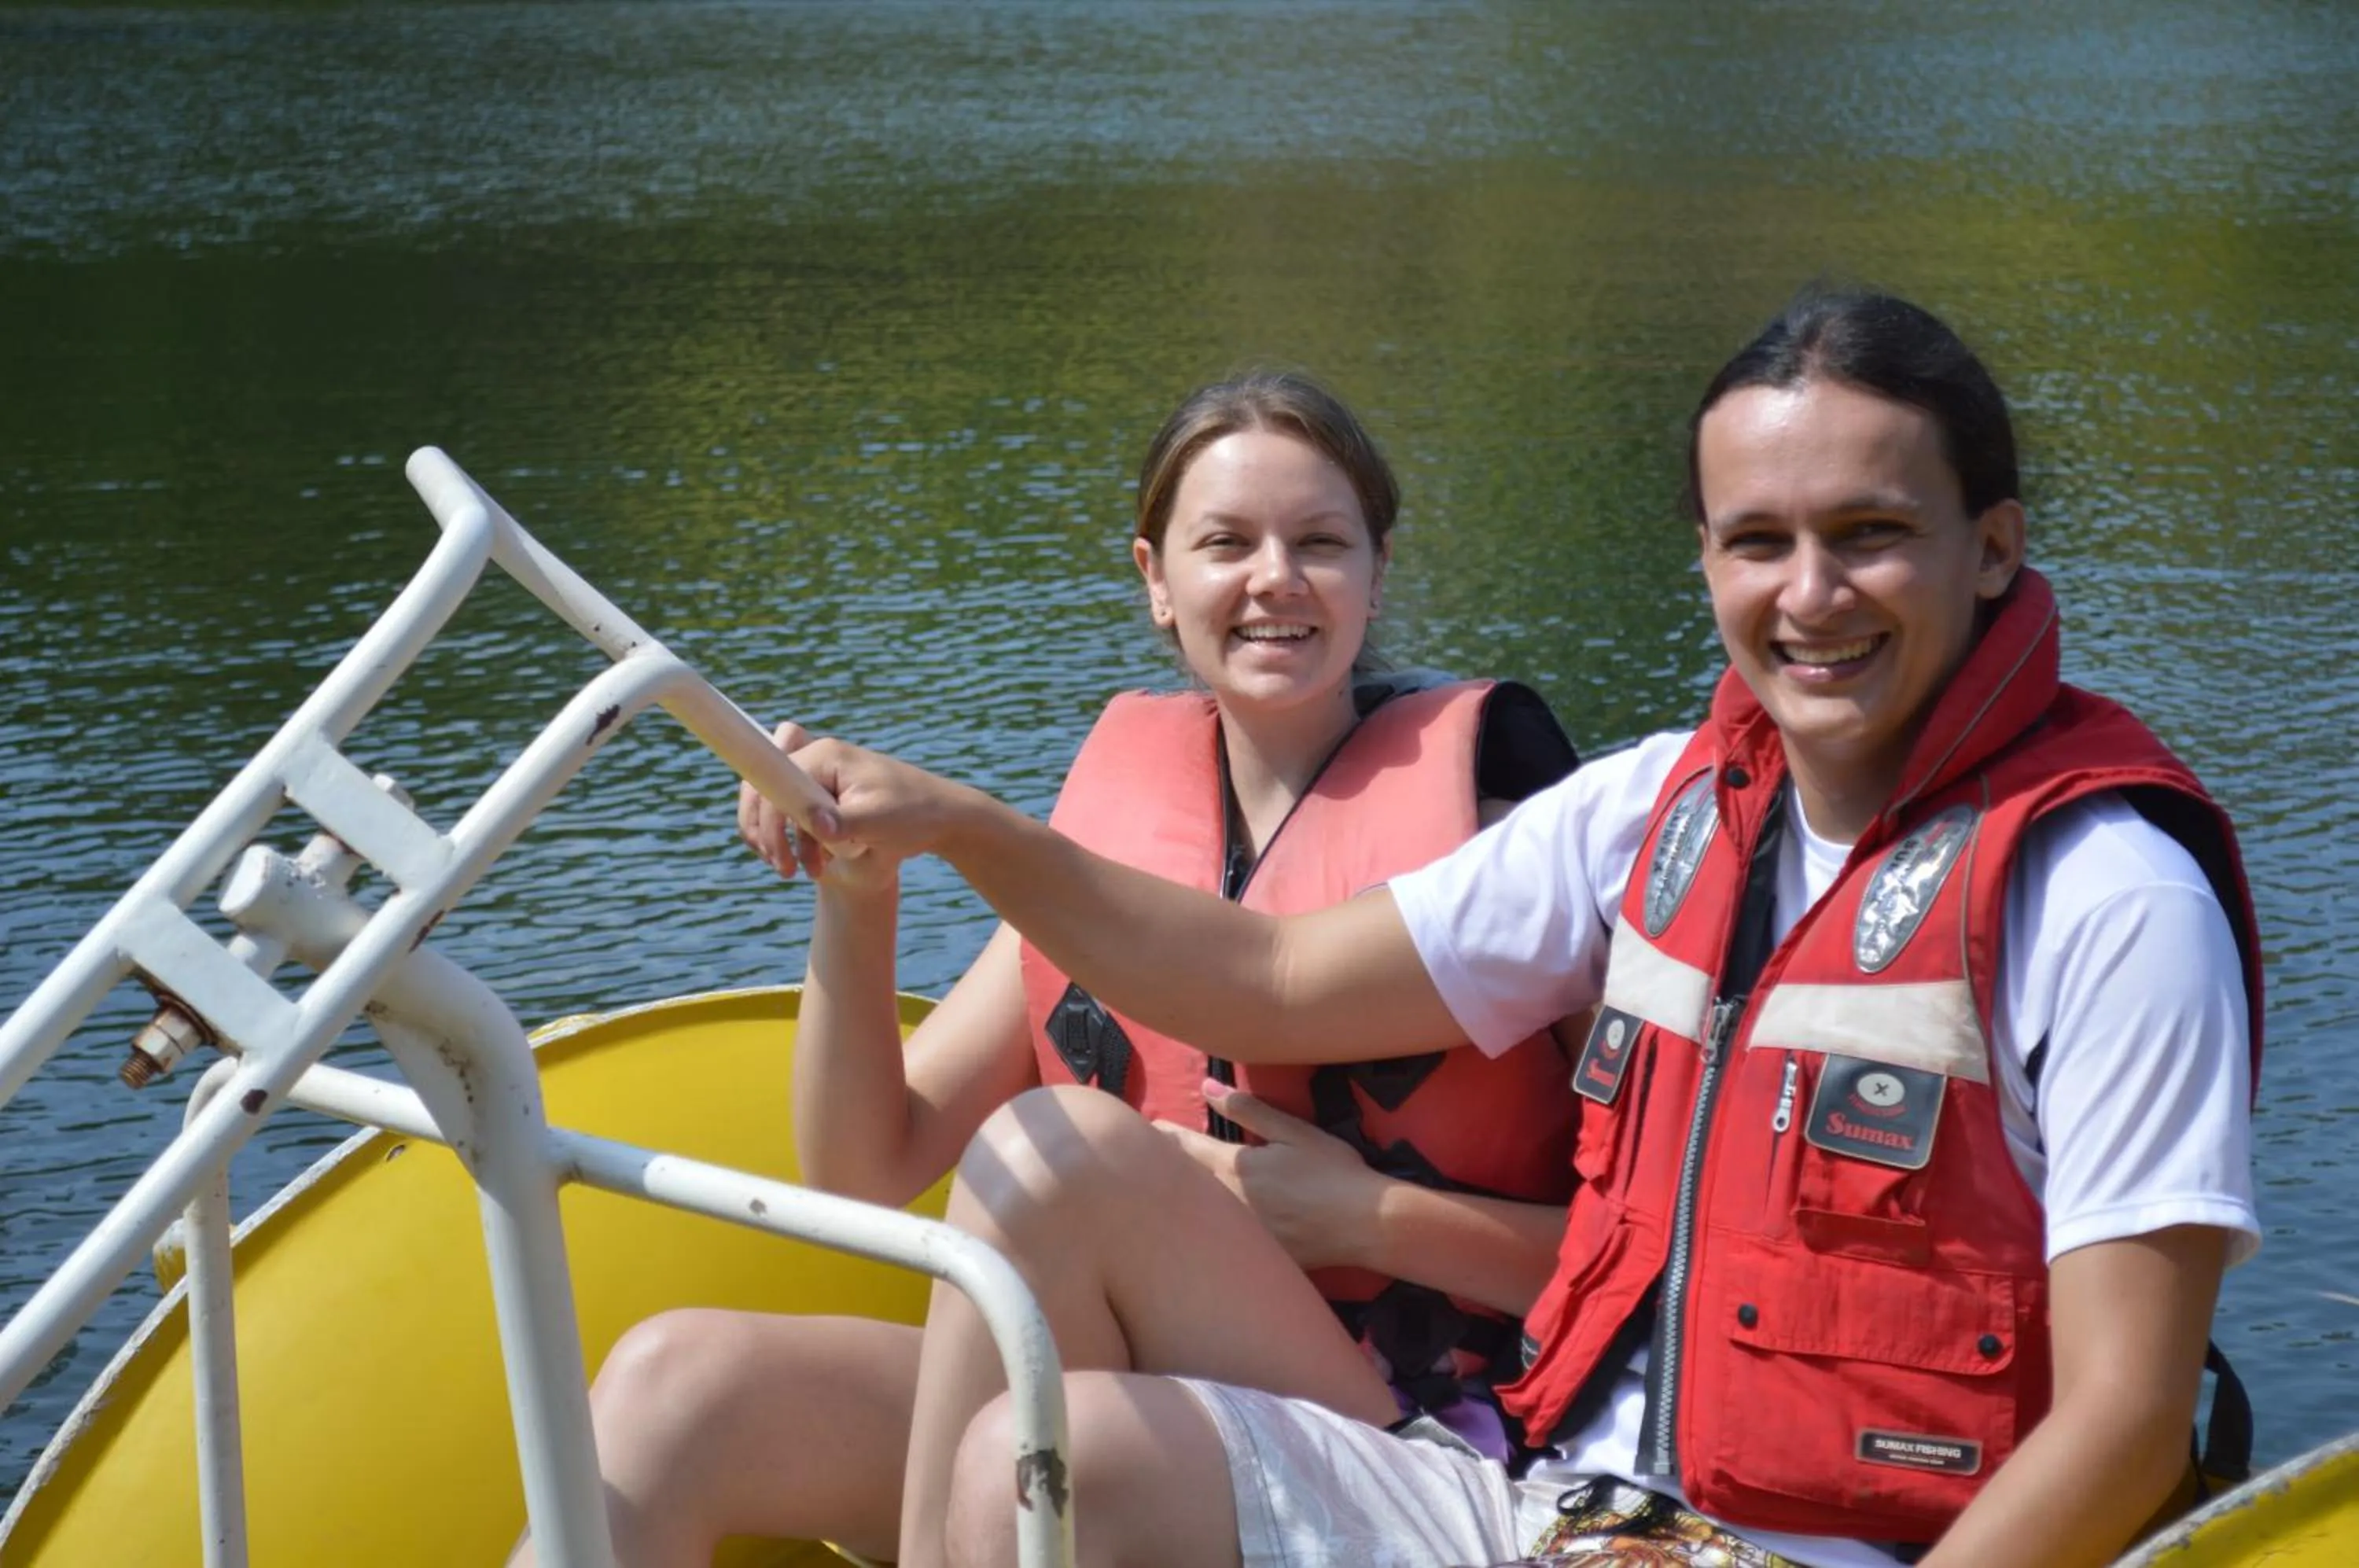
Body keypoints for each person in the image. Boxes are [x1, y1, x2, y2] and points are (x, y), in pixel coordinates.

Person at [775, 289, 2265, 1568]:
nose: (1810, 594)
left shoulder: (2110, 896)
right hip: (1545, 1512)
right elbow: (1271, 976)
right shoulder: (1642, 816)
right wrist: (959, 831)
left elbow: (2128, 1422)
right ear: (1704, 560)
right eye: (1758, 540)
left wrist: (1366, 1218)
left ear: (1992, 547)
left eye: (1869, 534)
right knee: (1036, 1454)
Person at [511, 371, 1583, 1567]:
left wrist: (1363, 1220)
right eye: (1226, 542)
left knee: (1053, 1149)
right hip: (1141, 1400)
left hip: (1429, 1440)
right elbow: (864, 1169)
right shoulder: (1113, 848)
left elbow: (1671, 1258)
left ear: (1378, 572)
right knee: (678, 1385)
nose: (1274, 577)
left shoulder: (1506, 849)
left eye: (1320, 543)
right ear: (1155, 579)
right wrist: (859, 893)